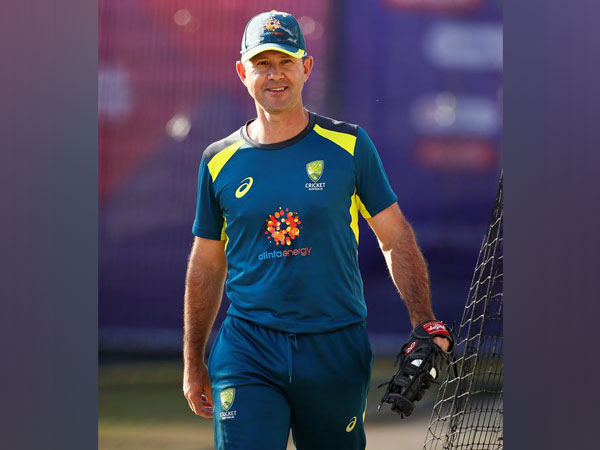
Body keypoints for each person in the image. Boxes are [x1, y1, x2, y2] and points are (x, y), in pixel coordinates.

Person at [183, 10, 450, 450]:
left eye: (285, 61)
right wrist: (193, 360)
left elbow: (394, 236)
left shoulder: (350, 145)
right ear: (243, 73)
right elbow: (207, 263)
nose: (275, 74)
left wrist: (423, 320)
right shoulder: (217, 161)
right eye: (262, 63)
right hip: (248, 346)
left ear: (306, 67)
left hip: (335, 345)